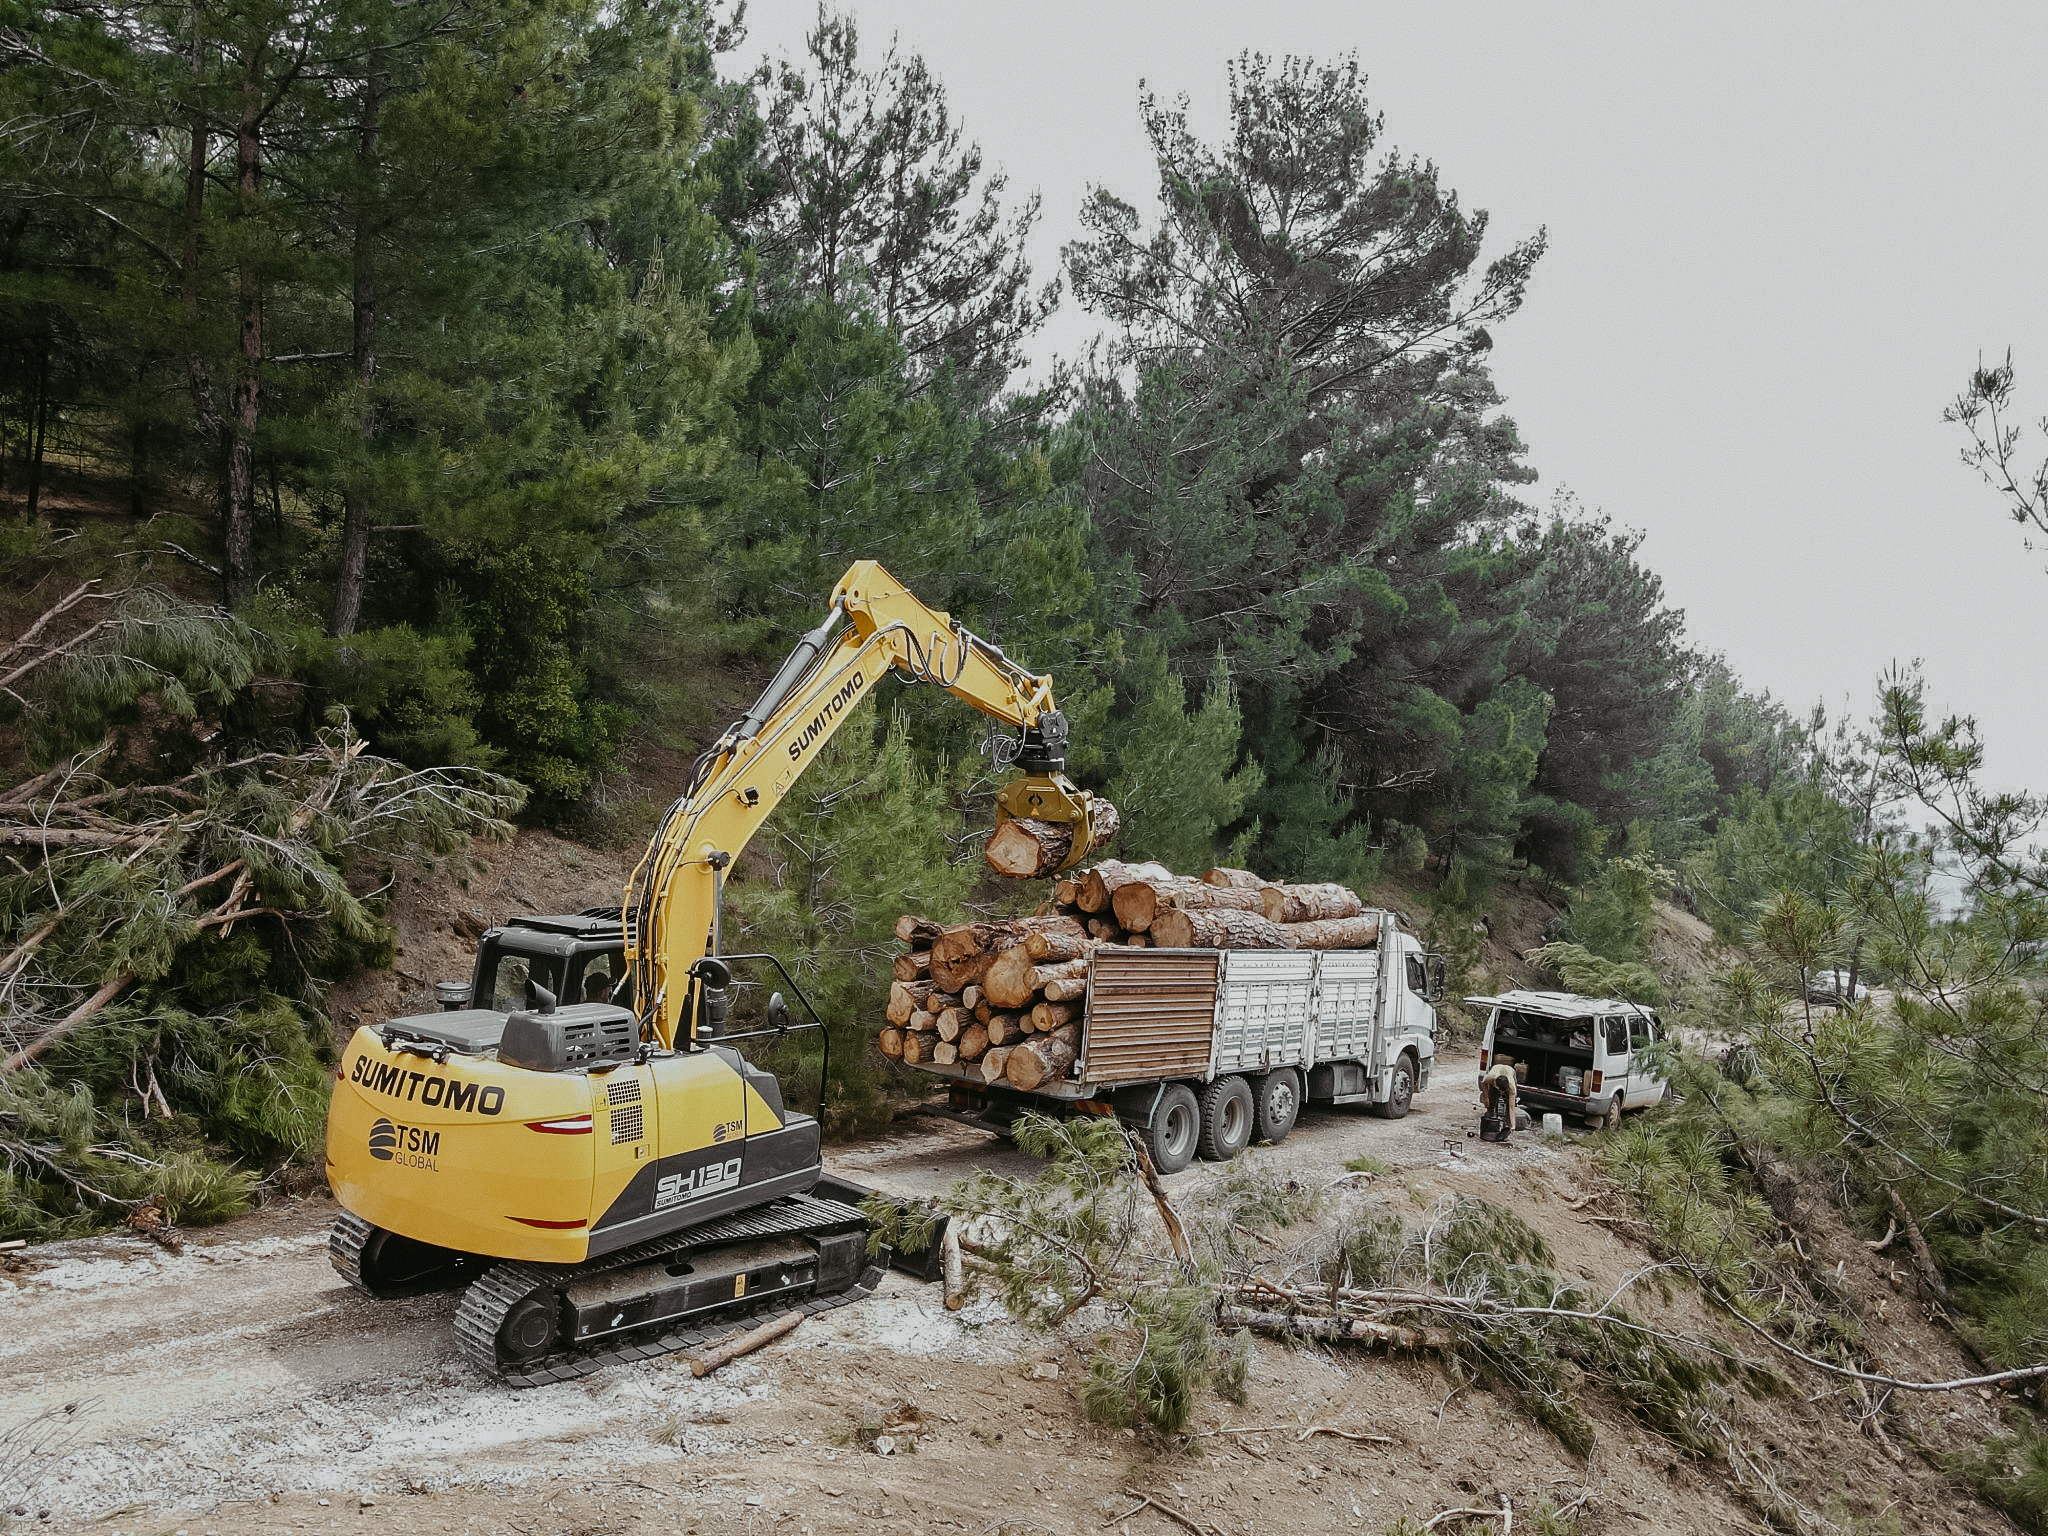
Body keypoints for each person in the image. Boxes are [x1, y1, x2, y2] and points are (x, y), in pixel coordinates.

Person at [1480, 1055, 1519, 1143]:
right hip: (1496, 1069)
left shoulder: (1511, 1087)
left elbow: (1511, 1107)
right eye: (1500, 1091)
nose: (1501, 1093)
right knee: (1491, 1099)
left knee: (1509, 1105)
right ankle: (1490, 1115)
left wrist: (1513, 1125)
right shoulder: (1490, 1077)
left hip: (1509, 1071)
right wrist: (1486, 1098)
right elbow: (1484, 1085)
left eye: (1503, 1091)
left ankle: (1507, 1124)